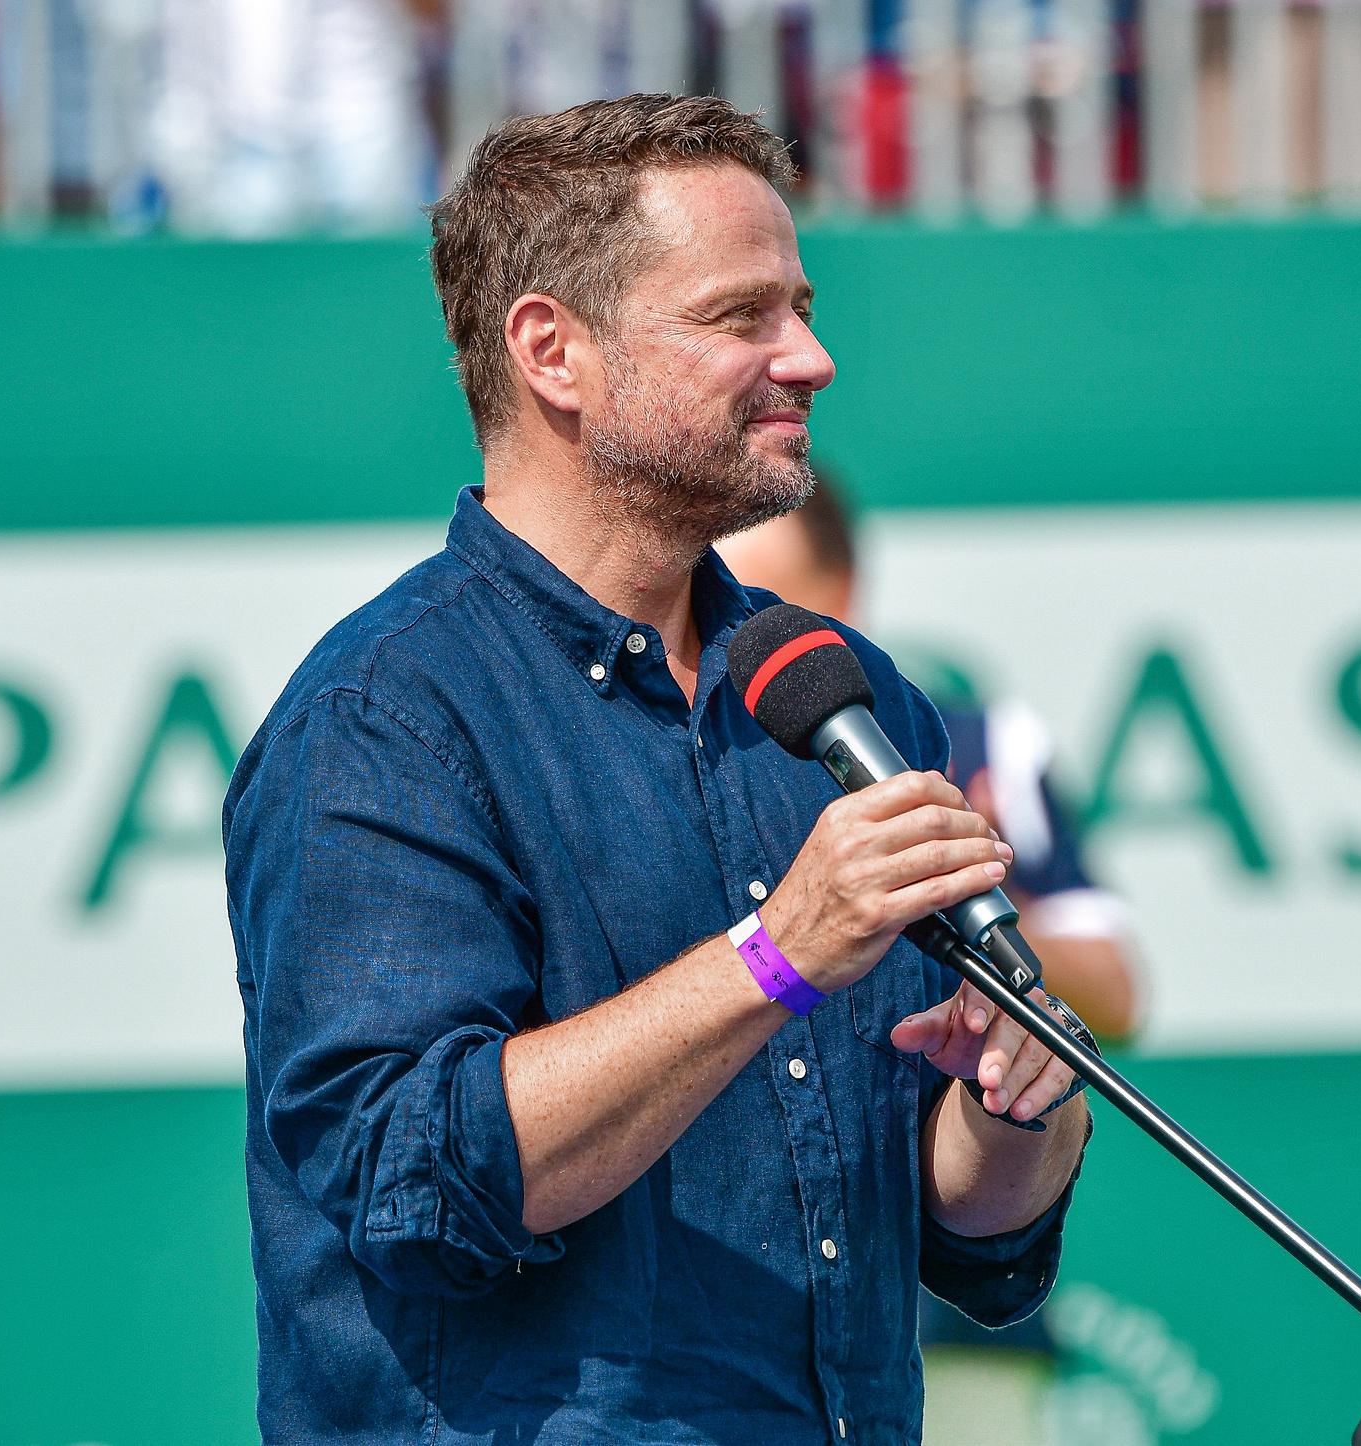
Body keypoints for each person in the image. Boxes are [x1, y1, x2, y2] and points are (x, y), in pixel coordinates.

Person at [224, 94, 1092, 1444]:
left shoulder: (845, 698)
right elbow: (414, 1178)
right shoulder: (384, 716)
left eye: (799, 305)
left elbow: (955, 1228)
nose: (808, 355)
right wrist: (775, 955)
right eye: (741, 315)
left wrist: (1013, 1100)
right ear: (551, 351)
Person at [717, 477, 1141, 1041]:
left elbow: (1114, 997)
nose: (732, 649)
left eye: (760, 610)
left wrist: (963, 882)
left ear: (842, 593)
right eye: (712, 615)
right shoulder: (664, 759)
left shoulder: (975, 745)